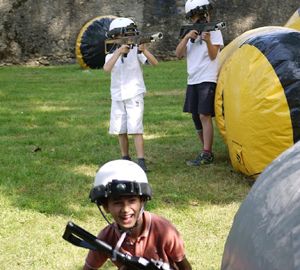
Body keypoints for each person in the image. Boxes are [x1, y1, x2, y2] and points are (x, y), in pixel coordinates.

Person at [82, 159, 193, 270]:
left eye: (132, 200)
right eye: (117, 203)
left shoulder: (164, 230)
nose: (125, 209)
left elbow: (185, 267)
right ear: (106, 207)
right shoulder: (106, 237)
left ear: (142, 201)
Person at [103, 18, 158, 172]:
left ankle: (141, 161)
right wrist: (119, 51)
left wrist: (144, 50)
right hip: (117, 95)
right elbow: (107, 68)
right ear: (115, 36)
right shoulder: (111, 53)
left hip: (134, 93)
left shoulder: (136, 51)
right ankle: (125, 158)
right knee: (121, 129)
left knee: (135, 128)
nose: (130, 36)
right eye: (126, 34)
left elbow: (154, 63)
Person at [175, 0, 224, 166]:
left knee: (204, 115)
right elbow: (178, 53)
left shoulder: (215, 31)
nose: (204, 18)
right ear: (192, 17)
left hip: (207, 77)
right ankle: (205, 150)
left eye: (205, 14)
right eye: (199, 15)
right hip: (193, 78)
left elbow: (212, 56)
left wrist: (208, 40)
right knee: (196, 116)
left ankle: (207, 153)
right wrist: (188, 37)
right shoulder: (190, 34)